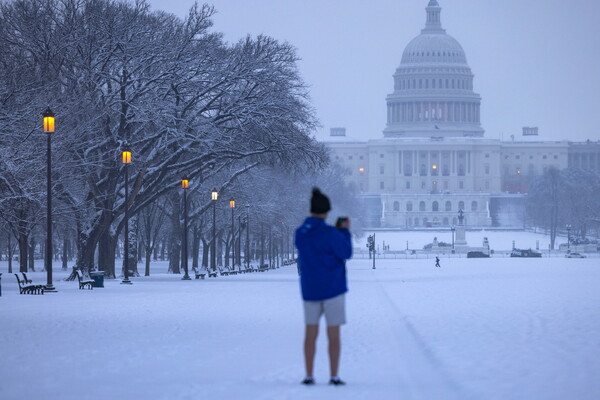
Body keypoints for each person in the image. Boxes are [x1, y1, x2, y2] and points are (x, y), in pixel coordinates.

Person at [295, 188, 352, 386]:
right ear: (326, 211)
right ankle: (333, 376)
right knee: (333, 335)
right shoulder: (330, 233)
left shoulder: (300, 233)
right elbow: (345, 253)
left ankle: (309, 375)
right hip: (333, 288)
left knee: (310, 334)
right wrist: (344, 230)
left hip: (310, 288)